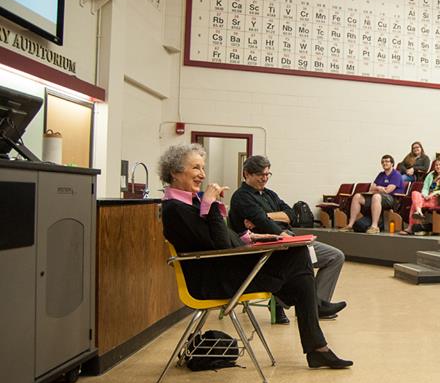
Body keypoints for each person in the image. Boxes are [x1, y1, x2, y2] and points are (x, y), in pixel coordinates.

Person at [159, 144, 352, 369]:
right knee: (298, 260)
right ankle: (313, 332)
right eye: (196, 168)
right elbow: (220, 246)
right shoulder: (175, 208)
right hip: (213, 281)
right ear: (174, 172)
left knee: (298, 260)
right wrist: (211, 204)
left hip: (225, 269)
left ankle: (312, 332)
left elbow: (221, 239)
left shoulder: (189, 202)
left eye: (203, 168)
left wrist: (253, 239)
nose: (202, 174)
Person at [228, 155, 347, 324]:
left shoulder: (269, 194)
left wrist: (267, 216)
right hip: (266, 246)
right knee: (302, 256)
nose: (265, 178)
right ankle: (308, 306)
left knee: (336, 256)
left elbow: (291, 214)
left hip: (286, 240)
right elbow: (264, 224)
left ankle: (316, 306)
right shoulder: (241, 197)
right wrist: (282, 232)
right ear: (246, 174)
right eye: (260, 174)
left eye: (268, 174)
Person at [343, 154, 404, 233]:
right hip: (377, 197)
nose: (384, 163)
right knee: (357, 196)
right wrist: (380, 188)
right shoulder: (381, 174)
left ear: (392, 163)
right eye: (383, 162)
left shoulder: (396, 174)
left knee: (376, 196)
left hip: (392, 199)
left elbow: (388, 190)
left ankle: (375, 226)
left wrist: (378, 188)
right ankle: (350, 225)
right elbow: (372, 188)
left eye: (387, 161)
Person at [400, 157, 440, 235]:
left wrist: (435, 193)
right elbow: (425, 188)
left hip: (438, 199)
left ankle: (410, 227)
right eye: (436, 165)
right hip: (427, 198)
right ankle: (419, 211)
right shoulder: (431, 174)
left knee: (414, 204)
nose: (438, 167)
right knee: (415, 193)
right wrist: (425, 195)